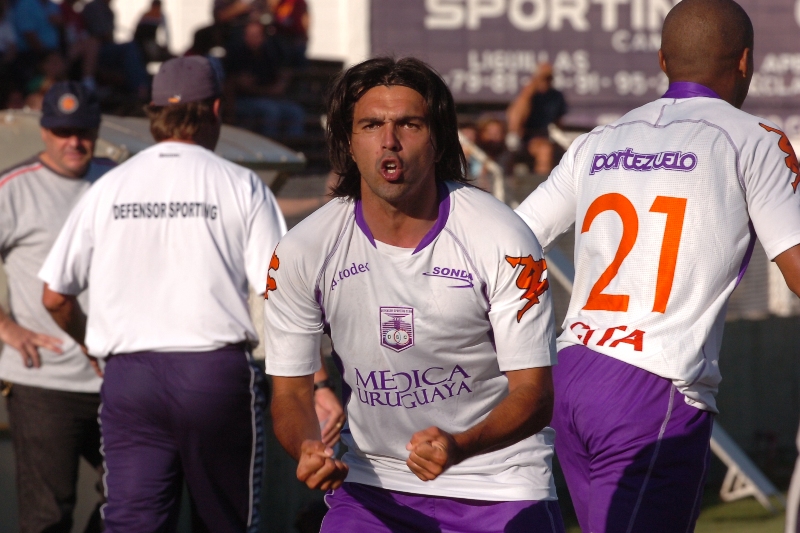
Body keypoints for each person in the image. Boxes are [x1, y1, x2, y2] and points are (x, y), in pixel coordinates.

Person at [514, 1, 800, 531]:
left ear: (663, 61)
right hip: (651, 386)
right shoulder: (755, 139)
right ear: (745, 61)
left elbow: (510, 239)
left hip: (570, 372)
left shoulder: (596, 141)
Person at [38, 56, 343, 532]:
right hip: (213, 377)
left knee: (132, 524)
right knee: (224, 522)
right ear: (216, 109)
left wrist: (90, 345)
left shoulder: (107, 187)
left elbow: (55, 297)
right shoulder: (241, 184)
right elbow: (278, 295)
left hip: (129, 377)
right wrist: (318, 385)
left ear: (155, 112)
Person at [264, 56, 565, 533]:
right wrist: (306, 446)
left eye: (409, 123)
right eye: (371, 125)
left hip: (498, 486)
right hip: (372, 487)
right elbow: (290, 391)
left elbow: (535, 393)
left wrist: (459, 445)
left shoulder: (503, 238)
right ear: (348, 141)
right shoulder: (303, 249)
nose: (389, 140)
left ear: (438, 138)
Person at [0, 81, 113, 533]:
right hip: (43, 382)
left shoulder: (117, 180)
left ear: (97, 130)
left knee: (131, 502)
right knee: (47, 517)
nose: (74, 142)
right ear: (44, 131)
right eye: (63, 131)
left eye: (83, 131)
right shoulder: (14, 188)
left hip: (117, 378)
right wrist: (6, 326)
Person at [225, 21, 305, 139]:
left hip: (269, 98)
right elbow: (232, 84)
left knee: (295, 112)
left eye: (256, 35)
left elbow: (279, 82)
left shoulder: (270, 54)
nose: (252, 39)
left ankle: (292, 147)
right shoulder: (236, 54)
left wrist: (268, 88)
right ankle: (268, 147)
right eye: (249, 35)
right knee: (270, 111)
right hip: (243, 100)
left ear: (263, 37)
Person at [507, 63, 566, 175]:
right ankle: (541, 183)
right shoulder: (527, 95)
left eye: (549, 78)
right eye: (542, 78)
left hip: (545, 136)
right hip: (525, 138)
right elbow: (515, 118)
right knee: (545, 150)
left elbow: (558, 123)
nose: (545, 82)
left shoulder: (556, 96)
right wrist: (532, 87)